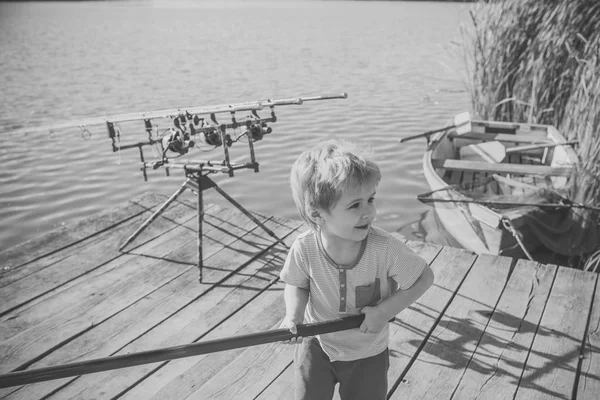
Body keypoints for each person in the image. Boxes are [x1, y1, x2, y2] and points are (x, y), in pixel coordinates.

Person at [279, 138, 434, 400]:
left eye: (370, 200)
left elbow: (423, 277)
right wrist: (293, 315)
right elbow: (297, 284)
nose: (369, 213)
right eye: (355, 205)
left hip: (367, 352)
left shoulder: (383, 248)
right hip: (317, 345)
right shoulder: (305, 247)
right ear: (318, 214)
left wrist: (384, 312)